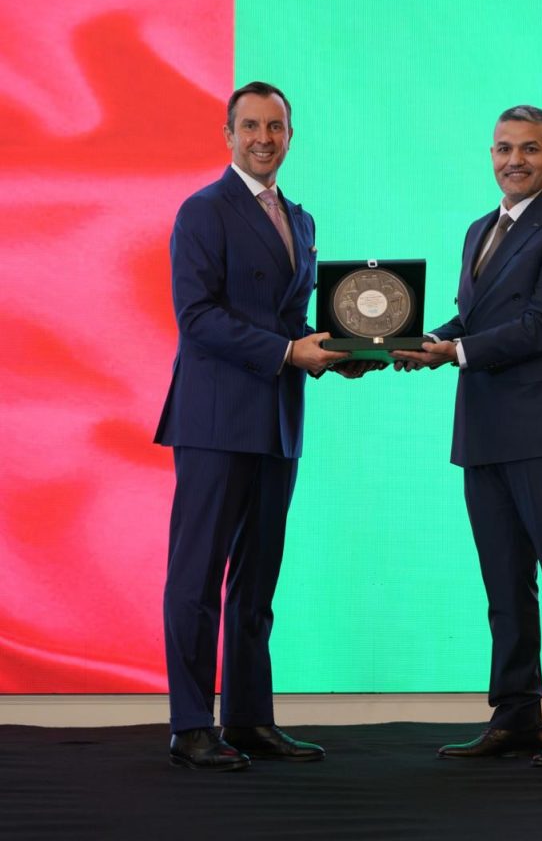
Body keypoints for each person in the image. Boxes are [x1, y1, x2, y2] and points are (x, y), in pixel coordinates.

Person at [393, 105, 542, 766]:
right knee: (505, 584)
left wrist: (455, 353)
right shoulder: (479, 230)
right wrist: (422, 340)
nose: (514, 160)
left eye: (529, 148)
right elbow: (476, 317)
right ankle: (516, 718)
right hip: (487, 429)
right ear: (491, 155)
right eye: (503, 148)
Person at [154, 81, 359, 771]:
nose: (263, 138)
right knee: (197, 576)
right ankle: (191, 725)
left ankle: (247, 719)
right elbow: (197, 318)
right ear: (228, 134)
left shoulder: (300, 219)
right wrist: (288, 353)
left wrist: (342, 352)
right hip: (216, 420)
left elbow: (291, 321)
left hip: (278, 419)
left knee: (257, 580)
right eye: (250, 126)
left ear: (290, 136)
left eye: (275, 127)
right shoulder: (202, 211)